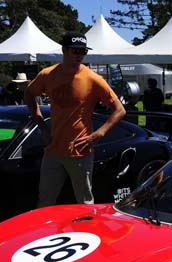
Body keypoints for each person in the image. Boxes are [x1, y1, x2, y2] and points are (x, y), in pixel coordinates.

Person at [24, 31, 126, 206]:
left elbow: (119, 110)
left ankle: (87, 232)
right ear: (64, 50)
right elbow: (28, 94)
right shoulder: (48, 75)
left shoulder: (93, 79)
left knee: (84, 202)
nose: (80, 55)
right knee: (45, 201)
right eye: (75, 51)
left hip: (80, 151)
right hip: (53, 150)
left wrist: (98, 134)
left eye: (83, 51)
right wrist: (41, 126)